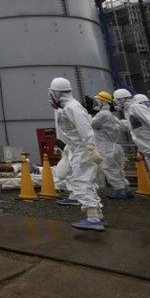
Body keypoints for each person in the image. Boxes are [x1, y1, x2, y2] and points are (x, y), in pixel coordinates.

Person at [48, 78, 106, 230]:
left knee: (81, 181)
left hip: (83, 150)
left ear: (56, 93)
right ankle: (97, 214)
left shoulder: (72, 107)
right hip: (77, 148)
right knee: (85, 180)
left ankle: (93, 218)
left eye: (51, 93)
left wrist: (91, 149)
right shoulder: (68, 107)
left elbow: (85, 129)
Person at [90, 91, 132, 199]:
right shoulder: (109, 115)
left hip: (105, 147)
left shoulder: (103, 114)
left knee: (109, 169)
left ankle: (119, 191)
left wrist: (88, 112)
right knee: (118, 169)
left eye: (98, 100)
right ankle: (126, 188)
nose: (96, 102)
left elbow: (90, 124)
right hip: (114, 146)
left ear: (103, 101)